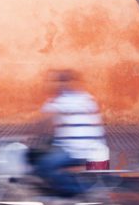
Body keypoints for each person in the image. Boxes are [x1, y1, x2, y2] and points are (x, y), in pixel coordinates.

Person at [32, 69, 109, 197]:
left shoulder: (61, 100)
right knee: (51, 152)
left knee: (43, 166)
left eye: (56, 81)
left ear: (65, 83)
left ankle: (80, 192)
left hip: (77, 150)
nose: (52, 85)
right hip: (97, 148)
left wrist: (30, 136)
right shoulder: (87, 98)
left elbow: (43, 122)